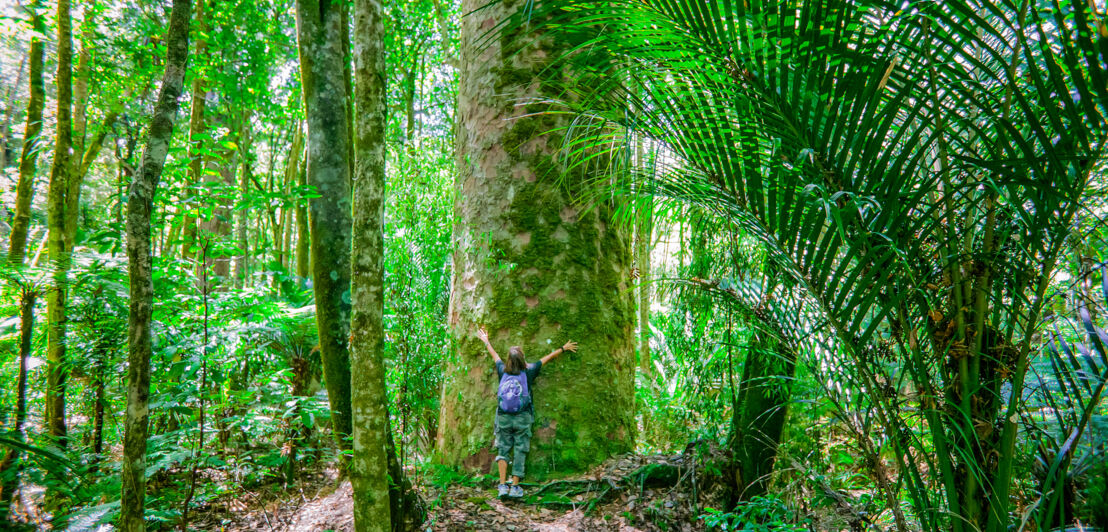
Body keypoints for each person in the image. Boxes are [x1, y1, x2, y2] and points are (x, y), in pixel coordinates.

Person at [474, 325, 578, 499]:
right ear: (522, 360)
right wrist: (563, 348)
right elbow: (547, 358)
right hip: (523, 417)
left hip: (503, 417)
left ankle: (501, 486)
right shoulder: (529, 371)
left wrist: (486, 341)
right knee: (521, 449)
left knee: (503, 450)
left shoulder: (502, 370)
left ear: (509, 361)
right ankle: (515, 487)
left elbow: (494, 355)